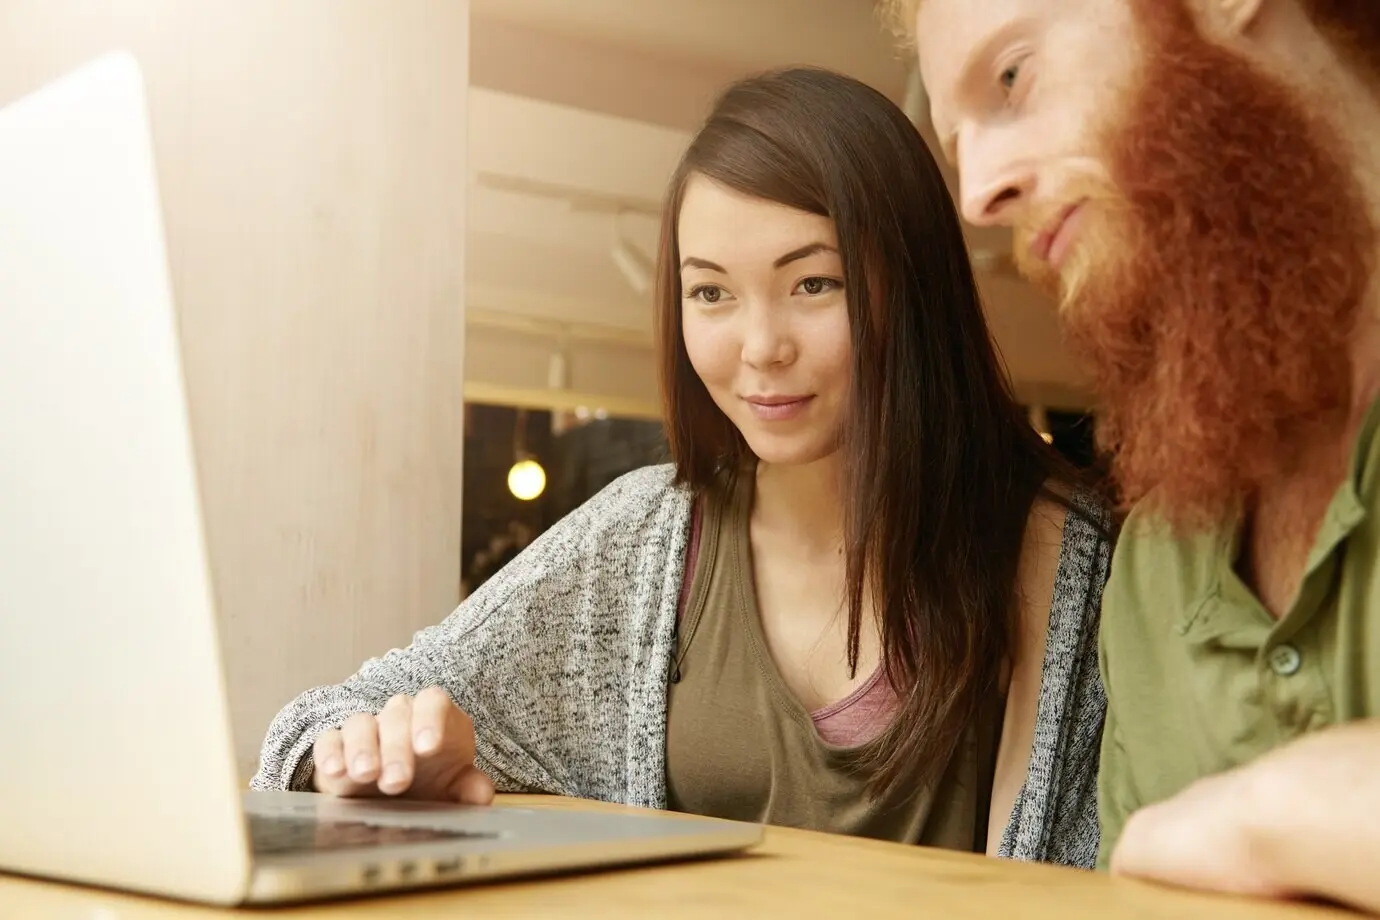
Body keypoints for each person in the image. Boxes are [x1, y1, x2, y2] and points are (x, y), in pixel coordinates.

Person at [251, 67, 1113, 865]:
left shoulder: (1072, 554)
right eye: (711, 293)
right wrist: (369, 761)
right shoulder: (645, 536)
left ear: (913, 285)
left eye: (814, 284)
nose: (760, 347)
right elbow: (317, 725)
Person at [888, 0, 1380, 908]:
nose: (976, 197)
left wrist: (1264, 818)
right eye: (959, 154)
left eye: (1011, 77)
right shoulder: (1158, 560)